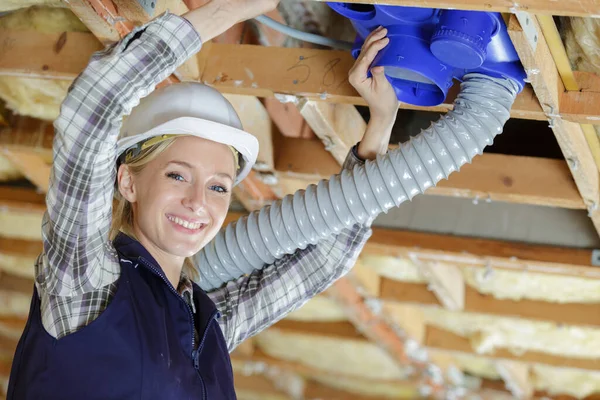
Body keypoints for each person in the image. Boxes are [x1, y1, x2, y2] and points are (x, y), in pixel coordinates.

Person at [7, 1, 399, 398]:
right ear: (128, 181)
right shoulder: (84, 282)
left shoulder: (205, 327)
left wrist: (380, 122)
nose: (198, 202)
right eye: (177, 175)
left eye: (218, 187)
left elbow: (323, 259)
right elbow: (94, 103)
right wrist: (230, 11)